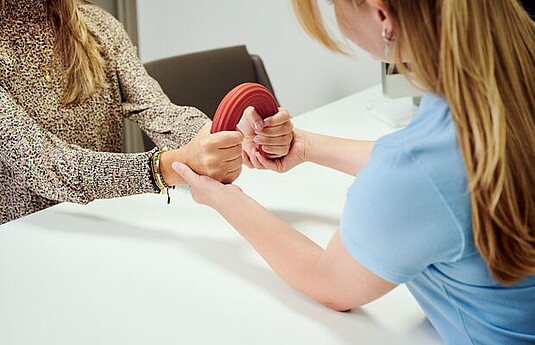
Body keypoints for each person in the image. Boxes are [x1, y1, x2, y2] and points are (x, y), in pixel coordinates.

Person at [173, 0, 535, 344]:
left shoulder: (418, 164)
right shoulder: (513, 75)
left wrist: (224, 200)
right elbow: (445, 176)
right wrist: (306, 146)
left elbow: (329, 282)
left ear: (383, 16)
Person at [0, 0, 293, 224]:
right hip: (26, 238)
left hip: (110, 220)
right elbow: (47, 165)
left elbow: (160, 113)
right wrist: (167, 167)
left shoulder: (98, 25)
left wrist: (230, 135)